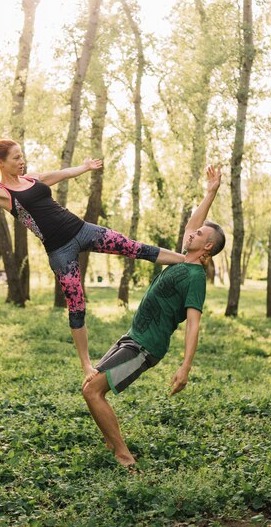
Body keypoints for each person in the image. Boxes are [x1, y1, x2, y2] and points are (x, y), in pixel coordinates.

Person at [0, 138, 186, 378]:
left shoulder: (33, 179)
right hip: (60, 251)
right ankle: (86, 364)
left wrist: (83, 168)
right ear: (2, 163)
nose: (22, 161)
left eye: (23, 156)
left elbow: (62, 174)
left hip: (82, 230)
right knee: (77, 305)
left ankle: (186, 261)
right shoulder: (0, 193)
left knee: (133, 247)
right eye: (16, 158)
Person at [82, 165, 224, 467]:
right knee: (90, 385)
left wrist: (185, 366)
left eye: (199, 234)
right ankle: (111, 440)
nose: (192, 232)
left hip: (146, 347)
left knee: (93, 391)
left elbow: (193, 325)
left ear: (207, 246)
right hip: (132, 337)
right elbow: (192, 223)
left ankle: (124, 455)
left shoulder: (196, 277)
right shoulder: (182, 260)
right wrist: (210, 192)